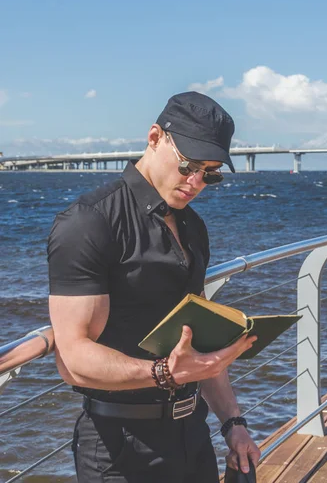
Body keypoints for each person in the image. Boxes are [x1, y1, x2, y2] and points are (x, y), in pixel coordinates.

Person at [48, 91, 260, 483]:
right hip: (120, 448)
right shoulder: (89, 222)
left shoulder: (193, 227)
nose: (196, 182)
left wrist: (233, 422)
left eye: (210, 173)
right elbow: (73, 357)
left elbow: (196, 344)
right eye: (188, 165)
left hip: (193, 435)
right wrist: (165, 372)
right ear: (154, 137)